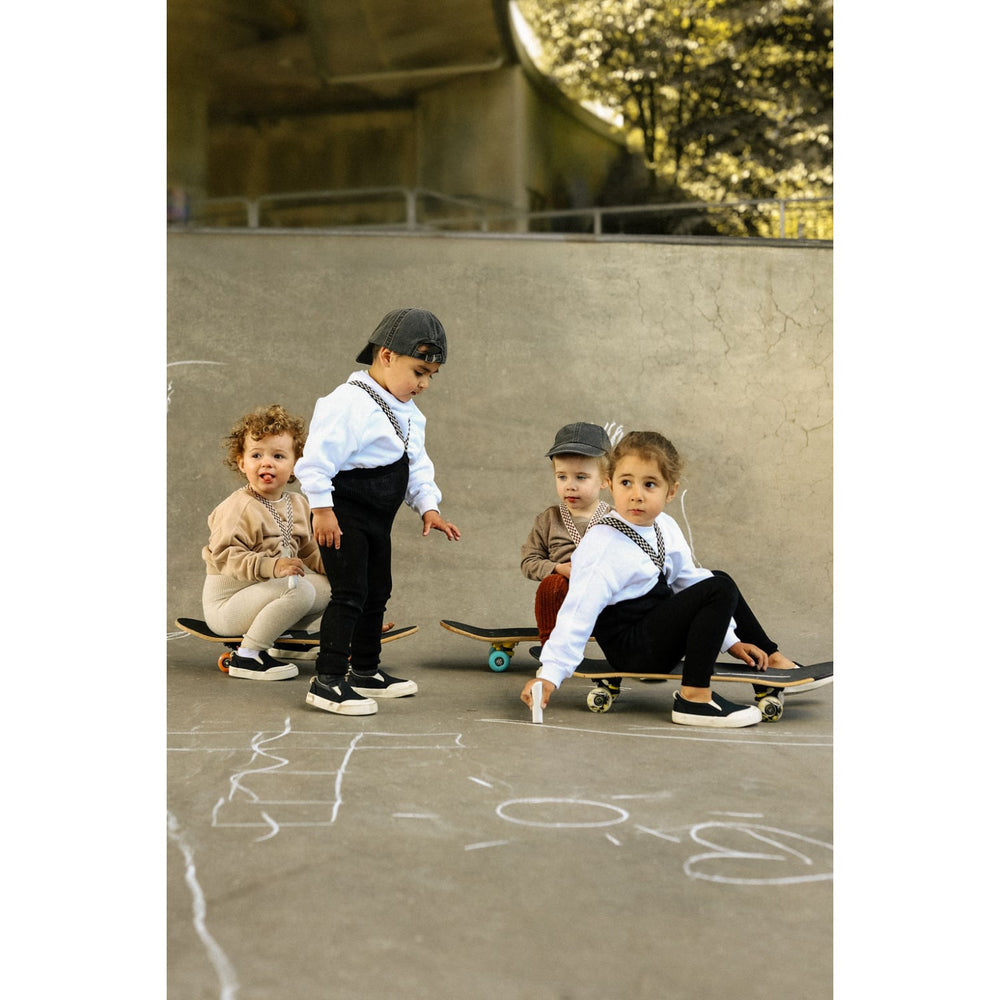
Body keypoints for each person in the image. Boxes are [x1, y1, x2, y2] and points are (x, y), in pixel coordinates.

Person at [520, 430, 805, 728]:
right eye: (626, 482)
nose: (636, 495)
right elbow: (578, 611)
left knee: (717, 580)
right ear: (610, 484)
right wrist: (549, 675)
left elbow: (689, 583)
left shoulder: (664, 526)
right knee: (717, 588)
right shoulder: (601, 544)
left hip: (657, 637)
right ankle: (694, 698)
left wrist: (731, 642)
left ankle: (769, 659)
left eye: (650, 484)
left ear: (671, 491)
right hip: (631, 649)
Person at [295, 307, 461, 716]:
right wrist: (322, 510)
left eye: (431, 376)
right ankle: (327, 679)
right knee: (349, 594)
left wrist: (428, 507)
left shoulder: (410, 414)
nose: (424, 384)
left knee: (376, 591)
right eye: (419, 371)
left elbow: (416, 464)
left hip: (377, 523)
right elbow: (315, 462)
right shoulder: (348, 403)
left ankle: (365, 670)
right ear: (386, 355)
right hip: (342, 517)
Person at [202, 404, 331, 681]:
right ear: (242, 463)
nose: (266, 462)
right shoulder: (239, 507)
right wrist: (272, 567)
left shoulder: (298, 503)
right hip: (228, 605)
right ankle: (247, 655)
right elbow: (225, 556)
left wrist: (349, 586)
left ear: (296, 464)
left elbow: (310, 552)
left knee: (332, 586)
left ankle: (284, 640)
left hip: (266, 593)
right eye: (256, 455)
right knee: (298, 590)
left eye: (278, 455)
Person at [520, 422, 613, 645]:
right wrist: (556, 568)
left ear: (605, 479)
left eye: (581, 477)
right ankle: (552, 649)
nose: (570, 486)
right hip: (562, 598)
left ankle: (637, 651)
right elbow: (528, 561)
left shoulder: (616, 519)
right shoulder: (549, 519)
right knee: (551, 586)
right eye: (562, 477)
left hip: (606, 598)